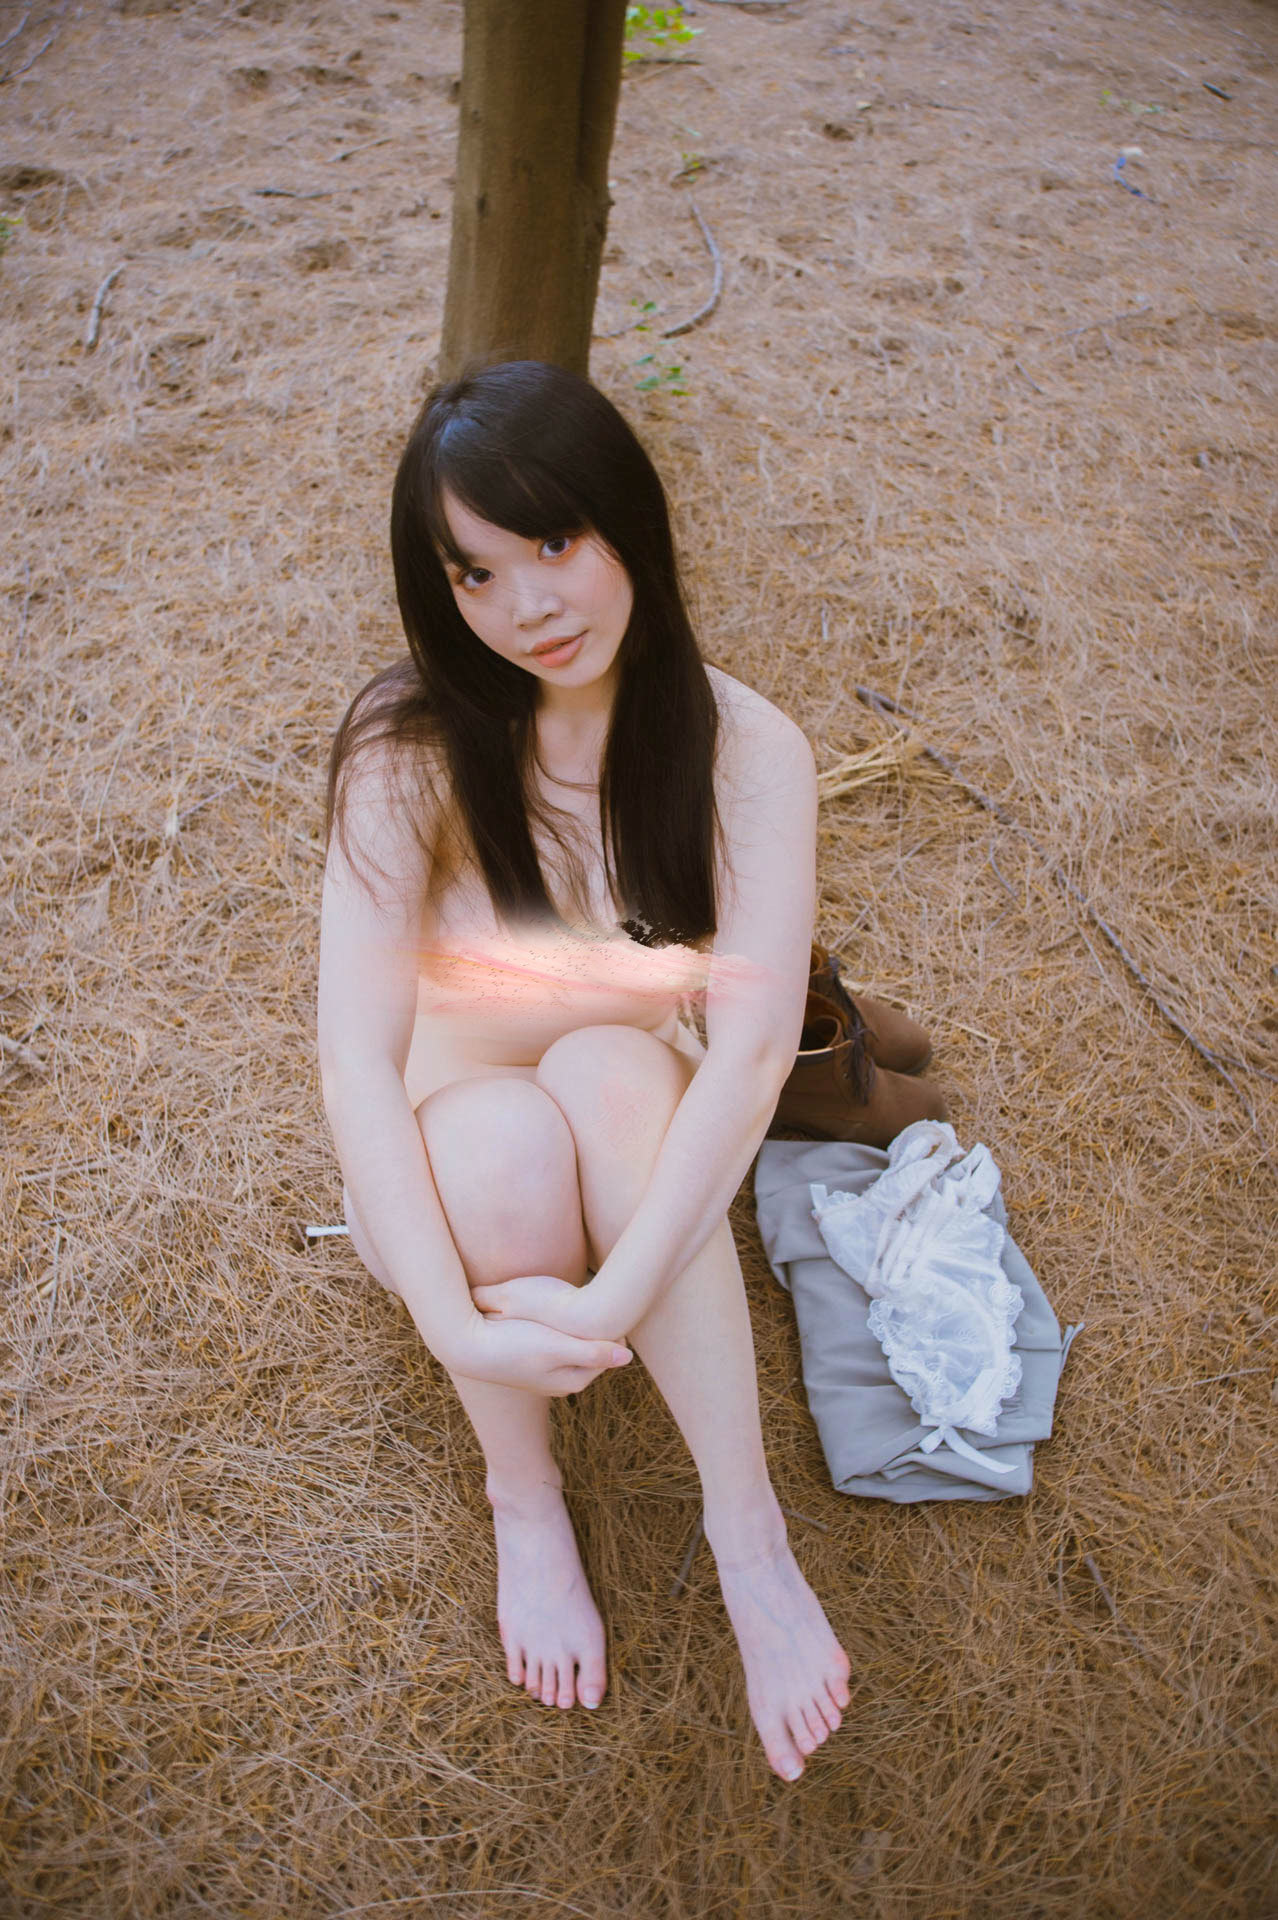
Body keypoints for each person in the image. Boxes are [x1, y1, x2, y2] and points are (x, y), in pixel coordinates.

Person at [317, 360, 851, 1784]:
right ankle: (523, 1494)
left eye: (555, 541)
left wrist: (614, 1298)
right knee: (499, 1145)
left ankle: (749, 1538)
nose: (529, 606)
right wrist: (452, 1322)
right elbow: (355, 1060)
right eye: (476, 573)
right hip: (454, 1164)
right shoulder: (406, 750)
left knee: (616, 1067)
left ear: (630, 519)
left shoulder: (746, 749)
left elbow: (749, 1053)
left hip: (631, 1120)